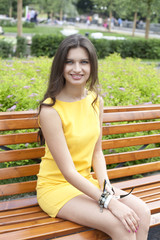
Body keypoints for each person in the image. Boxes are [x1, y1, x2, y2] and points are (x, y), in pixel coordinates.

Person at [37, 34, 150, 240]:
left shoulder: (95, 101)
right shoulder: (50, 110)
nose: (77, 69)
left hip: (87, 182)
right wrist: (110, 202)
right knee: (122, 225)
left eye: (83, 62)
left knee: (142, 213)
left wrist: (106, 188)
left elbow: (97, 152)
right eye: (69, 62)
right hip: (56, 188)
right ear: (60, 65)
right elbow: (69, 172)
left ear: (92, 66)